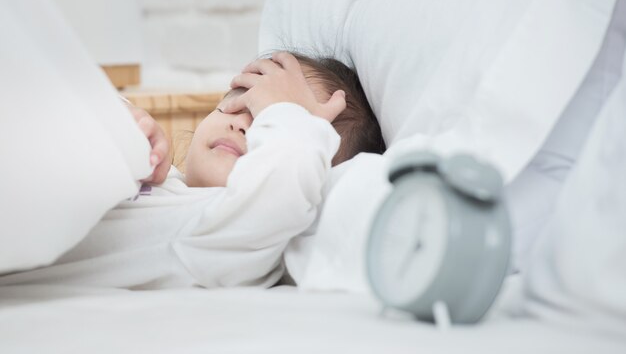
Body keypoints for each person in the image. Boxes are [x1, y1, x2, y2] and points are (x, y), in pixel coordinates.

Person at [0, 52, 385, 289]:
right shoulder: (165, 182)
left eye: (268, 122)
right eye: (237, 104)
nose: (239, 124)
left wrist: (293, 121)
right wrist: (120, 122)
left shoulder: (218, 234)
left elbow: (280, 191)